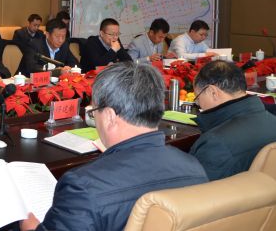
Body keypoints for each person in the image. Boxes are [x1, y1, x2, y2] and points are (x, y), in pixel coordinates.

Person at [20, 62, 208, 231]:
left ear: (110, 116)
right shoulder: (194, 167)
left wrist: (30, 227)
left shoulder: (83, 185)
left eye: (94, 112)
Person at [189, 60, 276, 180]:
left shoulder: (215, 143)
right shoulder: (272, 121)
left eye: (198, 99)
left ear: (212, 92)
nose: (199, 105)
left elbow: (196, 188)